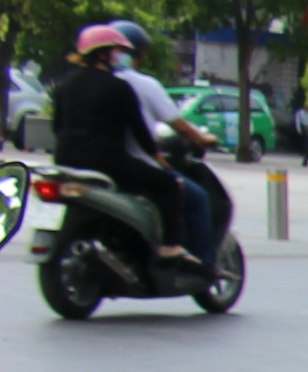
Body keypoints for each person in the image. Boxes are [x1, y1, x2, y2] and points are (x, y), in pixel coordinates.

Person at [49, 26, 191, 271]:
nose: (118, 56)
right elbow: (140, 132)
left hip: (65, 162)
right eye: (115, 51)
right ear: (103, 54)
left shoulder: (64, 86)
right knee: (168, 185)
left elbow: (57, 126)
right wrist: (158, 158)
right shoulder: (118, 87)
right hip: (106, 162)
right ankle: (169, 247)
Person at [108, 22, 221, 264]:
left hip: (91, 163)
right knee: (196, 196)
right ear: (138, 54)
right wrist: (202, 139)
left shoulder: (89, 81)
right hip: (132, 165)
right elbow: (176, 124)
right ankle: (200, 264)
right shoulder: (139, 85)